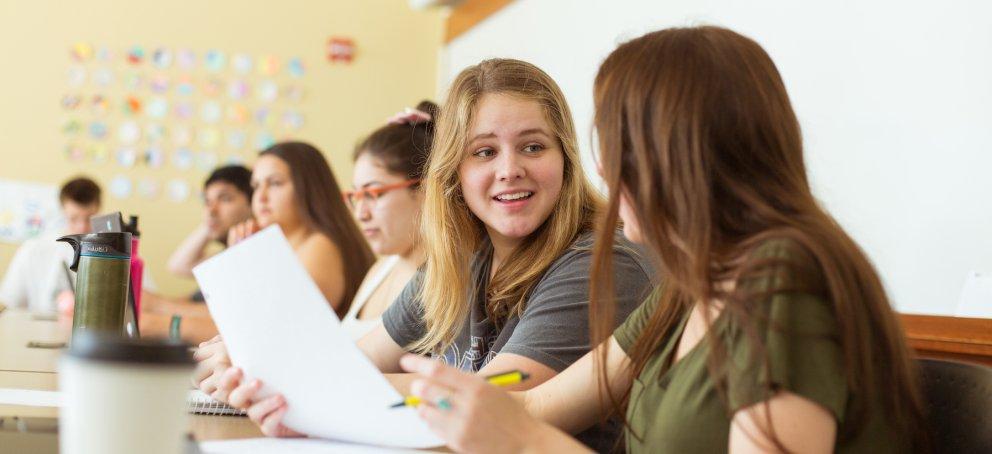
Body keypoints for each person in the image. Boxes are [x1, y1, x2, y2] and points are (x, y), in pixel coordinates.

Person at [395, 26, 928, 453]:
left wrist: (528, 444)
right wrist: (443, 400)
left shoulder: (783, 282)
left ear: (673, 154)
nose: (602, 170)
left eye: (613, 143)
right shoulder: (688, 285)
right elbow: (533, 406)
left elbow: (528, 428)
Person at [198, 59, 655, 452]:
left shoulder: (603, 263)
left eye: (533, 146)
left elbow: (486, 407)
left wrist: (292, 380)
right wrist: (263, 369)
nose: (510, 169)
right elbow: (352, 365)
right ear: (454, 170)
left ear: (567, 161)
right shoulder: (460, 262)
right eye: (484, 152)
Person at [228, 142, 376, 318]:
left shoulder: (320, 245)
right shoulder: (289, 247)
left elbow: (276, 322)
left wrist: (244, 262)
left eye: (275, 183)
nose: (261, 197)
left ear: (309, 189)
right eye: (256, 186)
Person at [339, 100, 437, 339]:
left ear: (425, 191)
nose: (361, 213)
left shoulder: (438, 283)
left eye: (374, 194)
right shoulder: (382, 267)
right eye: (356, 196)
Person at [139, 165, 254, 342]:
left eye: (225, 199)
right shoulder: (227, 256)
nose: (211, 209)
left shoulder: (253, 256)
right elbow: (178, 266)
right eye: (207, 202)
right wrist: (211, 222)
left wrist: (155, 307)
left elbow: (179, 267)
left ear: (252, 203)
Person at [0, 176, 101, 312]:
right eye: (73, 218)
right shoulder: (32, 248)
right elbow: (11, 302)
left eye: (89, 218)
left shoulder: (112, 251)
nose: (82, 227)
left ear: (99, 209)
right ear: (63, 210)